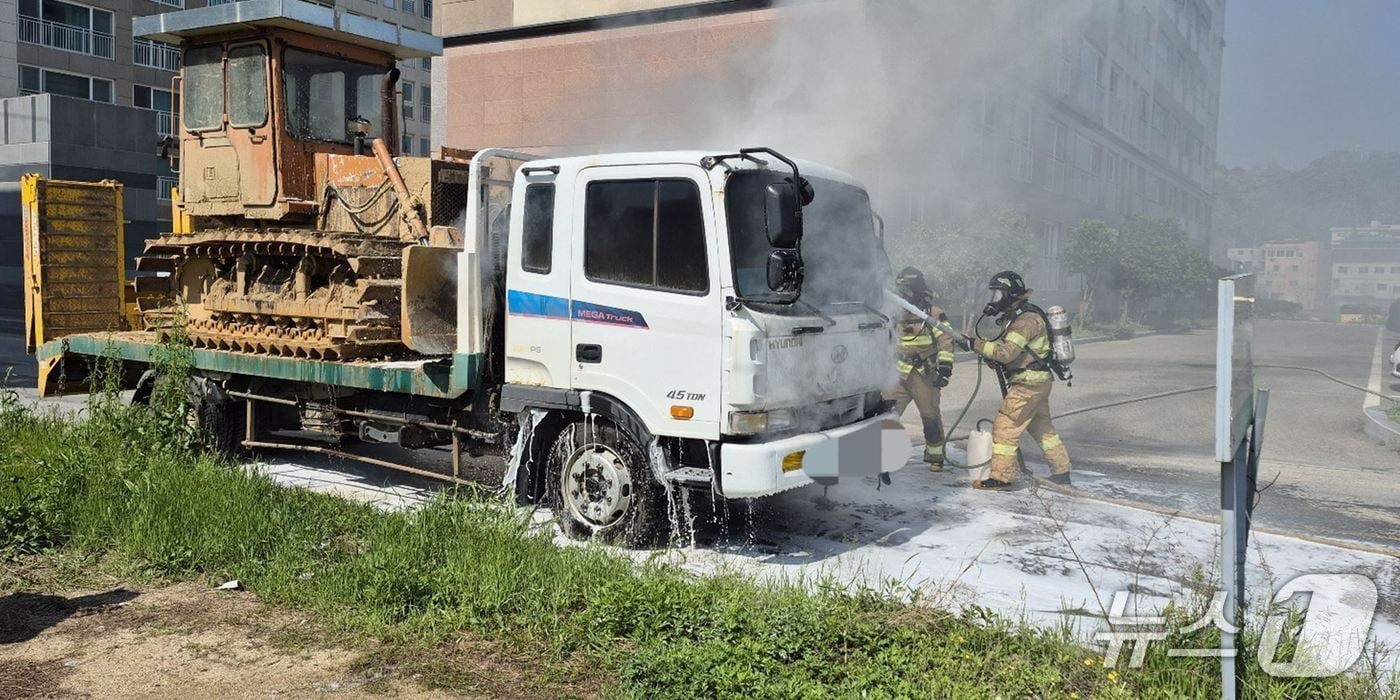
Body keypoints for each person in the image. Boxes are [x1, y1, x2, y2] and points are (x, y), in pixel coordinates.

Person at [966, 270, 1072, 489]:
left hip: (1028, 384)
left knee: (1005, 427)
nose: (994, 300)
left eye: (997, 294)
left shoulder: (1025, 321)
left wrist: (975, 344)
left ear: (1009, 295)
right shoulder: (1021, 316)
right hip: (1036, 381)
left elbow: (1006, 353)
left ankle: (1003, 477)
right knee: (1043, 429)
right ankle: (1062, 472)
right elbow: (1016, 354)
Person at [886, 267, 956, 470]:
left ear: (916, 290)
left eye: (906, 290)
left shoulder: (933, 314)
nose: (902, 295)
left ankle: (935, 457)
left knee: (930, 416)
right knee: (885, 414)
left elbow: (946, 340)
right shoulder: (893, 313)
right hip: (898, 372)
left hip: (924, 374)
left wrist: (945, 369)